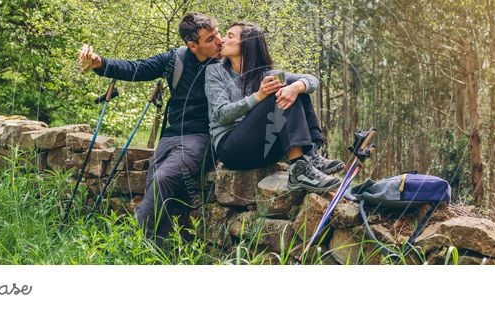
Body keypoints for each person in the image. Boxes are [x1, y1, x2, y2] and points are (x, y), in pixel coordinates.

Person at [77, 13, 222, 244]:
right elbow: (138, 68)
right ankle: (157, 250)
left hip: (202, 136)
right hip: (172, 135)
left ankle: (133, 242)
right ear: (192, 45)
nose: (219, 41)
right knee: (155, 182)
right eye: (211, 39)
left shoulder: (228, 61)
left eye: (218, 34)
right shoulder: (176, 59)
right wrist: (100, 63)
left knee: (164, 177)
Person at [205, 21, 343, 193]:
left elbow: (311, 80)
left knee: (295, 90)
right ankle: (299, 171)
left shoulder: (265, 75)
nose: (223, 40)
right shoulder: (215, 71)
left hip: (264, 151)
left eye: (230, 36)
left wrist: (296, 87)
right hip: (232, 151)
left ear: (247, 44)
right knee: (277, 96)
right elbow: (222, 114)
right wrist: (258, 96)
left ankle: (310, 156)